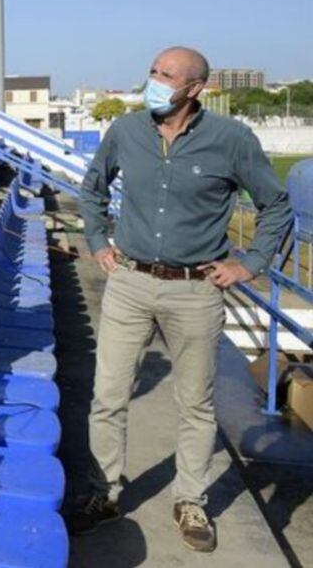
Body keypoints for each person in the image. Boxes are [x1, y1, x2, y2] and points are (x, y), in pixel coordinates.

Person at [73, 46, 293, 552]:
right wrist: (98, 242)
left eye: (166, 75)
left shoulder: (231, 140)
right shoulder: (126, 132)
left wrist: (250, 263)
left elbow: (275, 206)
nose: (153, 80)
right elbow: (91, 191)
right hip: (129, 282)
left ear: (195, 89)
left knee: (195, 403)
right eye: (152, 70)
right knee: (107, 396)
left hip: (196, 290)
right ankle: (102, 494)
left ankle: (190, 499)